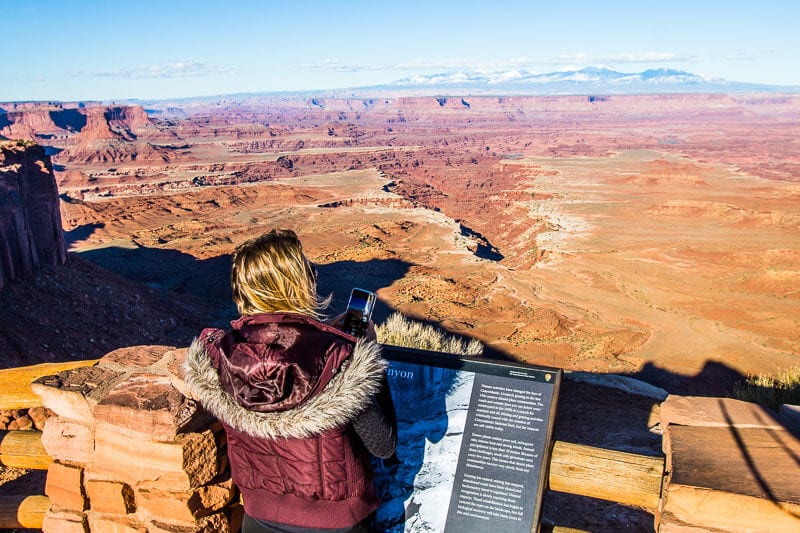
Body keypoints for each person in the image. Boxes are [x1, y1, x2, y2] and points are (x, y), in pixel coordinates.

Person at [183, 229, 396, 533]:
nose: (314, 276)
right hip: (337, 524)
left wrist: (326, 335)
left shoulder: (218, 355)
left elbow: (278, 353)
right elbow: (383, 444)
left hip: (258, 518)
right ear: (295, 284)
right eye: (309, 270)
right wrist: (368, 356)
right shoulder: (341, 358)